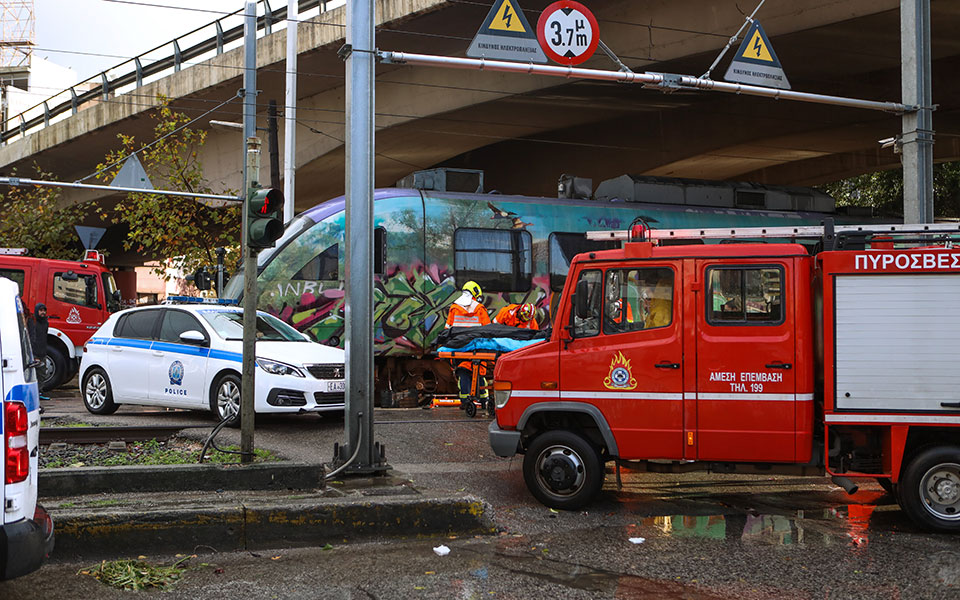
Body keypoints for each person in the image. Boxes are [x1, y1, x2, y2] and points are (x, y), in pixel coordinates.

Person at [445, 281, 491, 411]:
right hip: (476, 347)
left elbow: (448, 329)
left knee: (463, 372)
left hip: (460, 347)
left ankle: (465, 400)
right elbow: (487, 330)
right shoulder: (480, 308)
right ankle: (484, 400)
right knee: (479, 372)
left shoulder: (454, 308)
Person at [27, 303, 50, 401]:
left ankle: (39, 392)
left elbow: (44, 337)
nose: (43, 313)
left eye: (44, 310)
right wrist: (32, 353)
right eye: (41, 310)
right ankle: (33, 394)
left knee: (42, 374)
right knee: (32, 374)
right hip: (34, 352)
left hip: (42, 352)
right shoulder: (33, 322)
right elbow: (32, 337)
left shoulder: (45, 323)